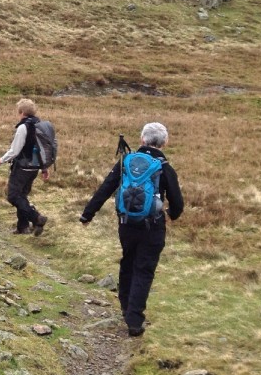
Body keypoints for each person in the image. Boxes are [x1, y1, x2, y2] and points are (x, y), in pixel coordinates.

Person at [79, 122, 184, 337]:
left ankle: (126, 308)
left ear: (142, 140)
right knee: (144, 269)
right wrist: (171, 214)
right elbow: (178, 204)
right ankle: (134, 321)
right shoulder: (164, 167)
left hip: (126, 224)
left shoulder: (125, 161)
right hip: (152, 227)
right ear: (164, 142)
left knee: (128, 262)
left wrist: (87, 214)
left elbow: (106, 187)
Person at [0, 98, 50, 235]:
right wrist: (44, 167)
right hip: (34, 168)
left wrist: (1, 160)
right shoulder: (40, 125)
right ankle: (22, 227)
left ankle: (36, 218)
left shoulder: (23, 127)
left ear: (21, 112)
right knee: (22, 196)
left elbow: (15, 150)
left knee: (13, 196)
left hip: (22, 167)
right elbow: (43, 149)